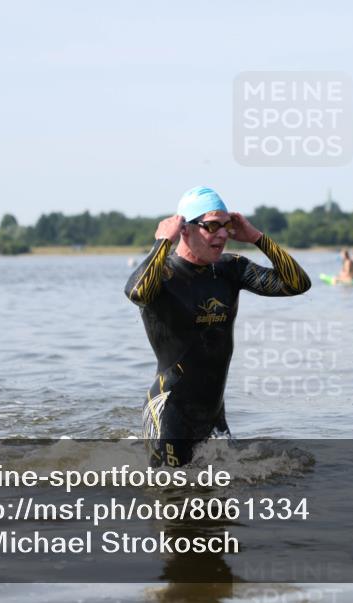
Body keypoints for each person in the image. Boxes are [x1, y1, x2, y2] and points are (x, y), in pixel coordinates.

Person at [125, 186, 311, 466]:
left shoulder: (230, 269)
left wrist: (257, 238)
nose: (223, 234)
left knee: (224, 489)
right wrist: (162, 242)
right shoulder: (162, 274)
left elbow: (297, 284)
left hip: (212, 413)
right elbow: (137, 292)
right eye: (212, 226)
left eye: (226, 225)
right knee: (170, 489)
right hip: (169, 412)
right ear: (184, 229)